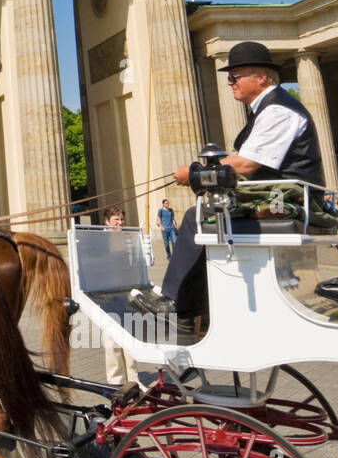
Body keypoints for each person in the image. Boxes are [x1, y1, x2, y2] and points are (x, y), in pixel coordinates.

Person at [132, 41, 323, 335]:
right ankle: (193, 313)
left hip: (288, 203)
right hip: (279, 199)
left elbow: (245, 165)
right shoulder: (268, 108)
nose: (229, 82)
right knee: (207, 216)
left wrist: (195, 174)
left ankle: (174, 303)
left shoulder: (278, 111)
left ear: (262, 77)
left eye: (236, 75)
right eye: (229, 77)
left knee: (199, 219)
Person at [100, 206, 140, 387]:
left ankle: (134, 378)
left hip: (126, 292)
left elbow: (135, 262)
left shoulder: (128, 238)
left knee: (130, 337)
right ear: (107, 222)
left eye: (122, 219)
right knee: (111, 340)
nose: (120, 223)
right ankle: (116, 380)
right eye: (116, 219)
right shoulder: (99, 240)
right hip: (107, 294)